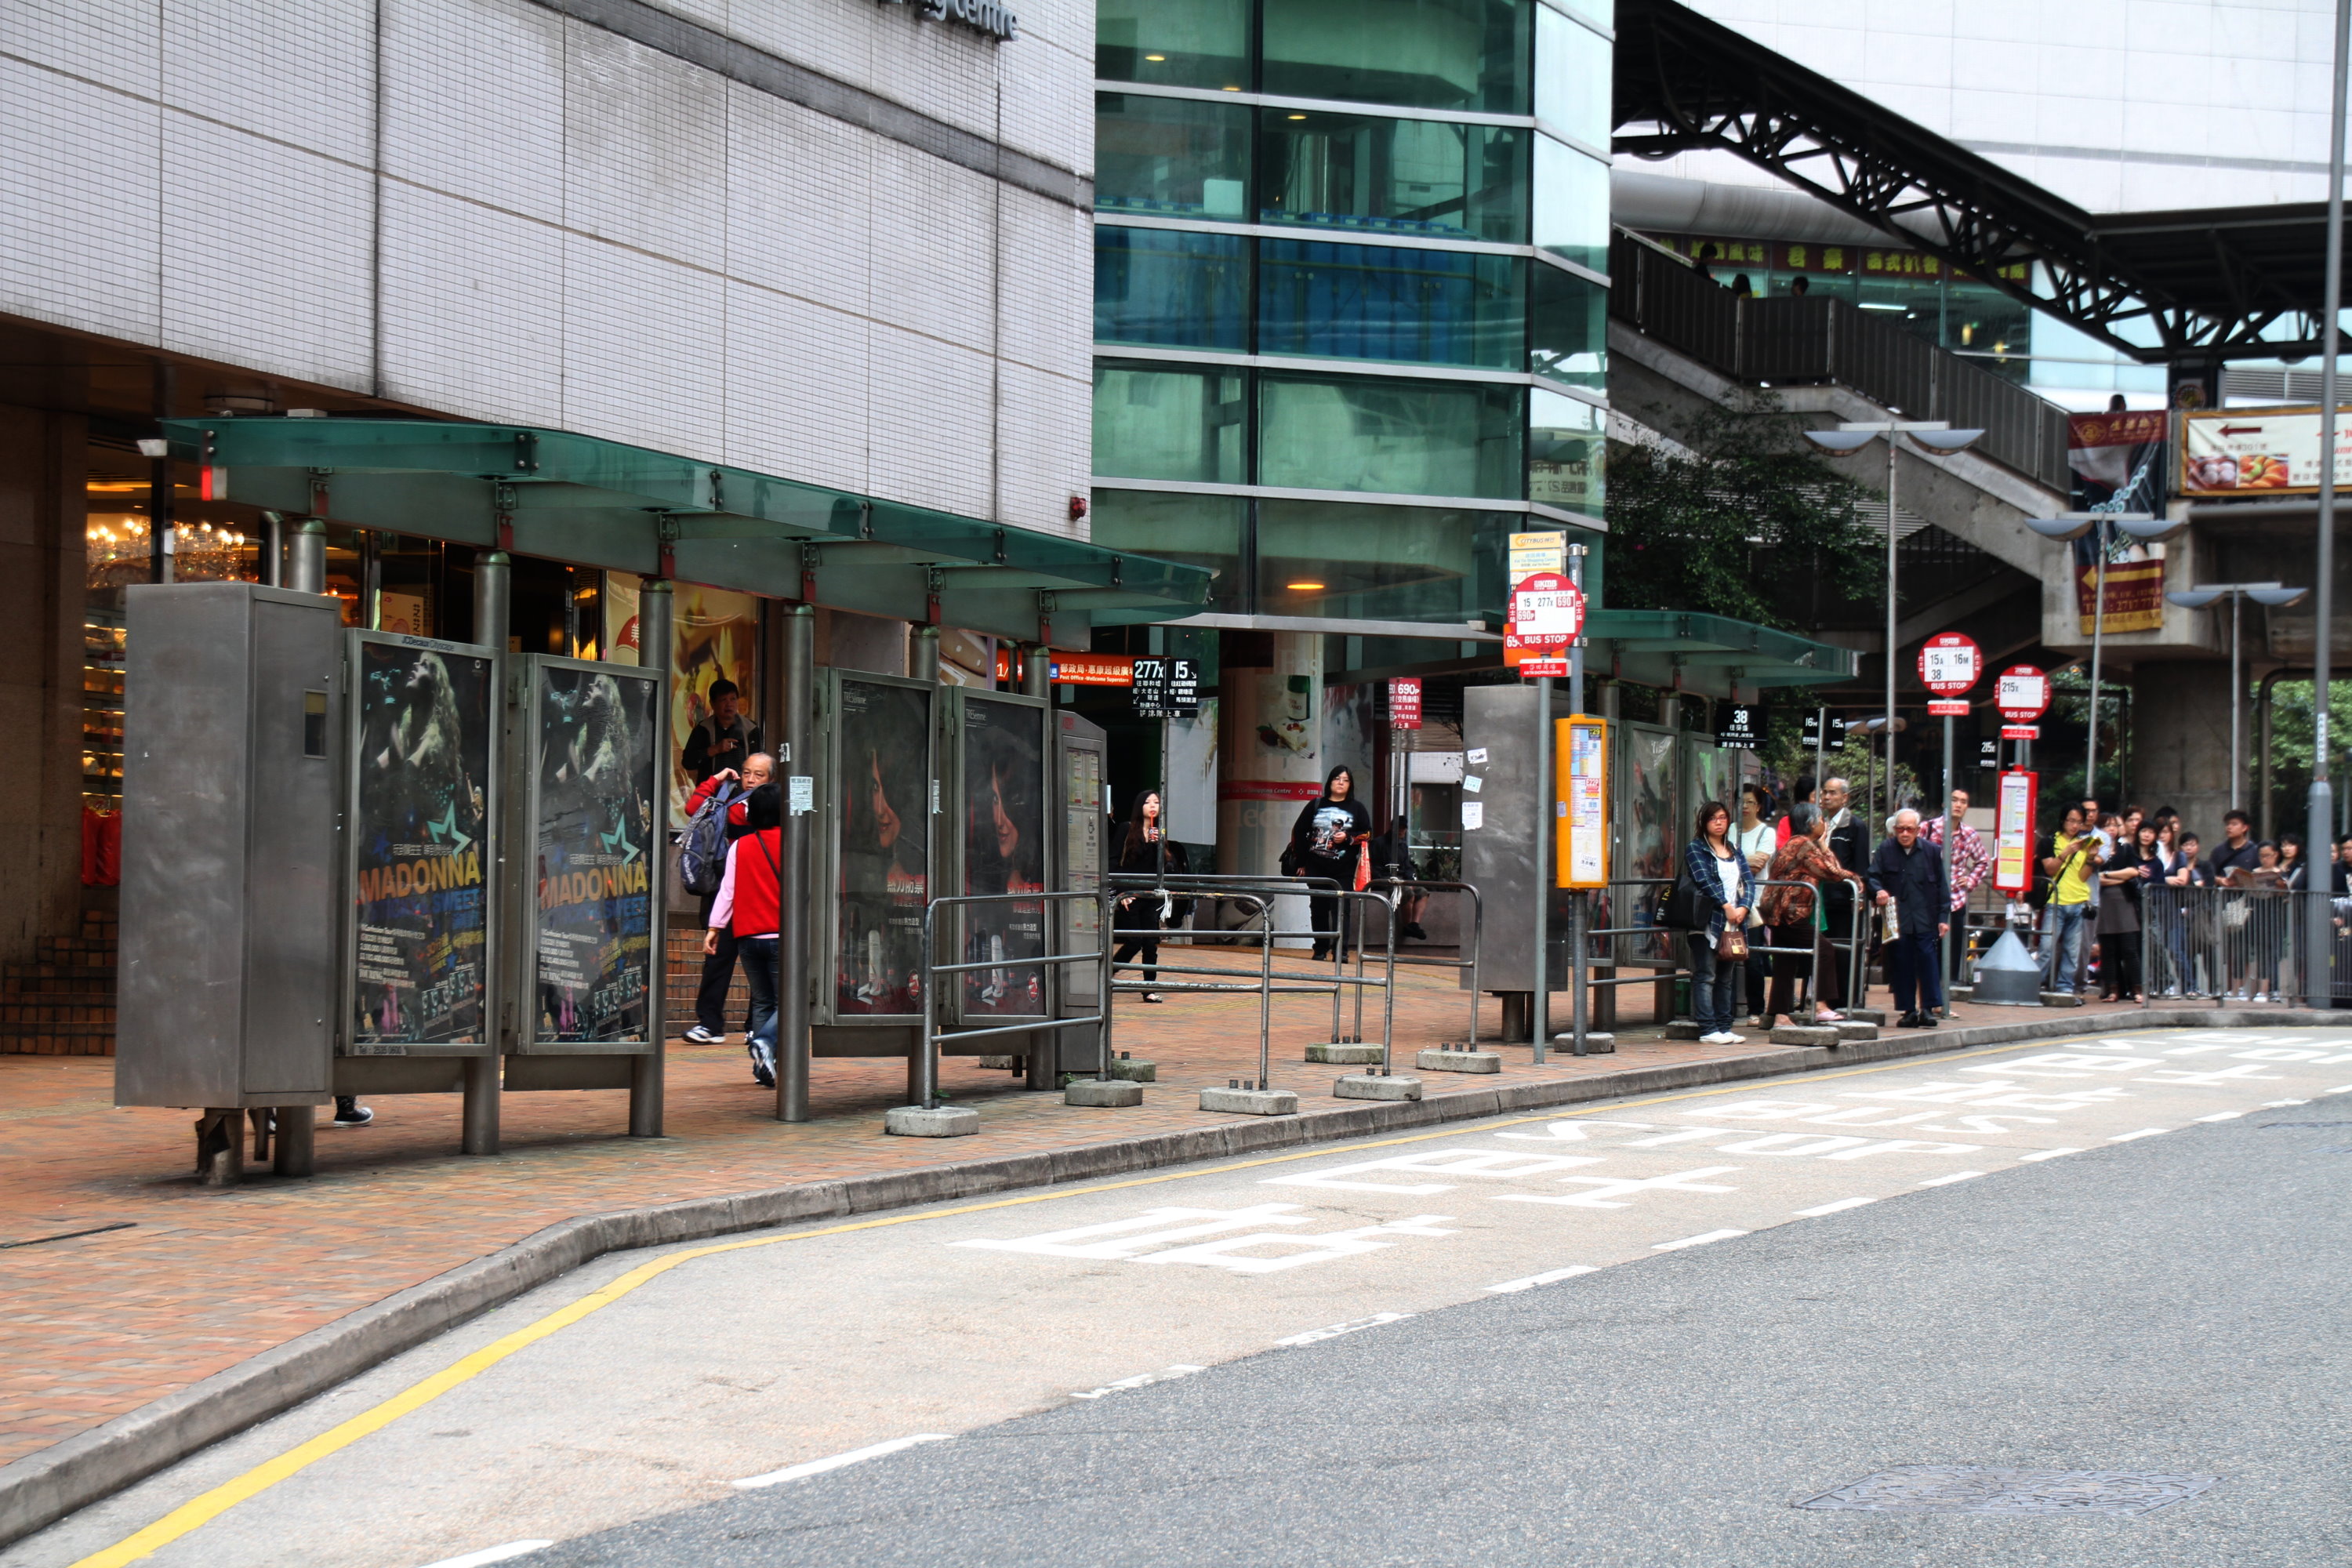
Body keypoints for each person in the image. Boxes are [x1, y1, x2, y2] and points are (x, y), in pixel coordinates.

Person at [681, 752, 774, 1046]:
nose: (750, 779)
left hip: (759, 893)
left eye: (759, 775)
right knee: (718, 959)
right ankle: (710, 1024)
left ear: (771, 779)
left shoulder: (775, 808)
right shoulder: (729, 803)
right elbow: (693, 808)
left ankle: (754, 1026)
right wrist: (717, 779)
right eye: (747, 773)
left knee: (759, 963)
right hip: (724, 887)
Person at [704, 783, 783, 1087]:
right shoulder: (792, 842)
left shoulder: (741, 846)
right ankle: (764, 1043)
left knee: (763, 1002)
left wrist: (715, 928)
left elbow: (728, 891)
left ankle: (765, 1067)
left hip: (747, 936)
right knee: (789, 1002)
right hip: (781, 936)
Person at [1760, 803, 1860, 1027]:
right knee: (1824, 949)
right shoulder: (1804, 845)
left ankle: (1780, 1015)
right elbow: (1832, 872)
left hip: (1779, 913)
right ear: (1811, 823)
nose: (1823, 823)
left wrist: (1823, 846)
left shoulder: (1796, 844)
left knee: (1785, 962)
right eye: (1821, 819)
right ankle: (1821, 1005)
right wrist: (1853, 877)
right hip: (1791, 913)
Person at [1683, 800, 1756, 1046]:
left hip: (1734, 923)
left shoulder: (1734, 848)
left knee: (1726, 978)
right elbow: (1704, 881)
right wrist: (1726, 907)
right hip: (1707, 922)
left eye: (1723, 818)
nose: (1719, 822)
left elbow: (1748, 880)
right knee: (1706, 975)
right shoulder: (1696, 848)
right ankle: (1708, 1028)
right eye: (1714, 818)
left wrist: (1744, 907)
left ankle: (1725, 1027)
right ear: (1704, 822)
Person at [1870, 808, 1951, 1027]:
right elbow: (1873, 876)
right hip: (1899, 918)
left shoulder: (1932, 851)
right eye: (1900, 829)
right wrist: (1878, 890)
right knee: (1902, 962)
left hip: (1926, 916)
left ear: (1918, 830)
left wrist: (1943, 917)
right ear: (1895, 830)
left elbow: (1942, 887)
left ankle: (1928, 1008)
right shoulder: (1886, 850)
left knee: (1928, 961)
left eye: (1909, 829)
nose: (1904, 834)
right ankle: (1908, 1010)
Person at [1112, 788, 1190, 1003]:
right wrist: (1121, 892)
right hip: (1130, 894)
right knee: (1134, 941)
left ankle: (1149, 989)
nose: (1153, 806)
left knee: (1150, 944)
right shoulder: (1126, 829)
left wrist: (1158, 846)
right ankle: (1108, 975)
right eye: (1148, 802)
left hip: (1151, 896)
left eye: (1156, 802)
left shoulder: (1159, 833)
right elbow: (1113, 862)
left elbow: (1166, 866)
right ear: (1140, 806)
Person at [1286, 765, 1372, 961]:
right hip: (1316, 865)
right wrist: (1301, 861)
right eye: (1337, 779)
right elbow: (1299, 831)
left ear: (1350, 785)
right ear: (1330, 782)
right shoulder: (1316, 804)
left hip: (1344, 868)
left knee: (1342, 909)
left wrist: (1348, 837)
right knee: (1318, 907)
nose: (1341, 783)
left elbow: (1367, 833)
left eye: (1346, 780)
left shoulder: (1357, 808)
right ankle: (1320, 948)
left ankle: (1341, 950)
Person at [1924, 788, 1988, 987]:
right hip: (1928, 898)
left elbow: (1983, 861)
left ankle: (1945, 991)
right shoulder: (1928, 828)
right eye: (1954, 800)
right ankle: (1927, 989)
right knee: (1926, 947)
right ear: (1945, 803)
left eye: (1963, 801)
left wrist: (1969, 881)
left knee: (1950, 950)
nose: (1958, 805)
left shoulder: (1969, 834)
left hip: (1955, 900)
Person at [2038, 804, 2100, 994]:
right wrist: (2066, 852)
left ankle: (2065, 986)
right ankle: (2034, 983)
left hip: (2079, 901)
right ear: (2063, 821)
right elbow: (2050, 869)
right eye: (2071, 821)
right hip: (2056, 901)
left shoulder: (2084, 843)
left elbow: (2083, 876)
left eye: (2079, 822)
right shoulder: (2050, 842)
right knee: (2046, 948)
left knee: (2072, 951)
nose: (2074, 826)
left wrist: (2090, 858)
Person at [1735, 783, 1776, 1025]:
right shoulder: (1729, 829)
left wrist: (1730, 861)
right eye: (1742, 802)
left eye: (1750, 802)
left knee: (1753, 957)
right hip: (1729, 901)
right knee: (1725, 954)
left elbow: (1758, 864)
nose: (1745, 807)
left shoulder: (1766, 833)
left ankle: (1756, 1009)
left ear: (1758, 806)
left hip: (1756, 902)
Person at [2095, 811, 2143, 1001]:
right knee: (2108, 950)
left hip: (2125, 902)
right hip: (2104, 903)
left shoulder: (2126, 849)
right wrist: (2117, 877)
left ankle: (2138, 989)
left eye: (2114, 825)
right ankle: (2113, 989)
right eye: (2107, 826)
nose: (2112, 829)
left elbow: (2133, 872)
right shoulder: (2096, 851)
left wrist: (2107, 876)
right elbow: (2095, 878)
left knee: (2130, 949)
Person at [681, 678, 763, 786]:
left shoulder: (751, 729)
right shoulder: (703, 729)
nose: (729, 704)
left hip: (741, 797)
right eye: (723, 700)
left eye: (733, 699)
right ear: (713, 704)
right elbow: (688, 762)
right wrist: (715, 749)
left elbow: (760, 765)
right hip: (711, 797)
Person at [1370, 815, 1428, 940]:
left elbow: (1408, 867)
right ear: (1392, 828)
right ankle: (1407, 925)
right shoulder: (1378, 843)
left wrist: (1411, 881)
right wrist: (1384, 879)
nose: (1402, 831)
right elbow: (1372, 866)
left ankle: (1414, 924)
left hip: (1401, 878)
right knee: (1407, 892)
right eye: (1399, 828)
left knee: (1423, 892)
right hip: (1385, 878)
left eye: (1404, 828)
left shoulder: (1403, 846)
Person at [2207, 809, 2260, 883]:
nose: (2229, 827)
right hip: (2224, 893)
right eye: (2227, 824)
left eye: (2234, 824)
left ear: (2244, 828)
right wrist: (2219, 880)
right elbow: (2209, 874)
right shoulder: (2218, 851)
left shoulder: (2255, 851)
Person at [1775, 775, 1817, 848]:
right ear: (1804, 798)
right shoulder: (1787, 821)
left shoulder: (1822, 821)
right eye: (1815, 796)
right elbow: (1782, 848)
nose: (1820, 801)